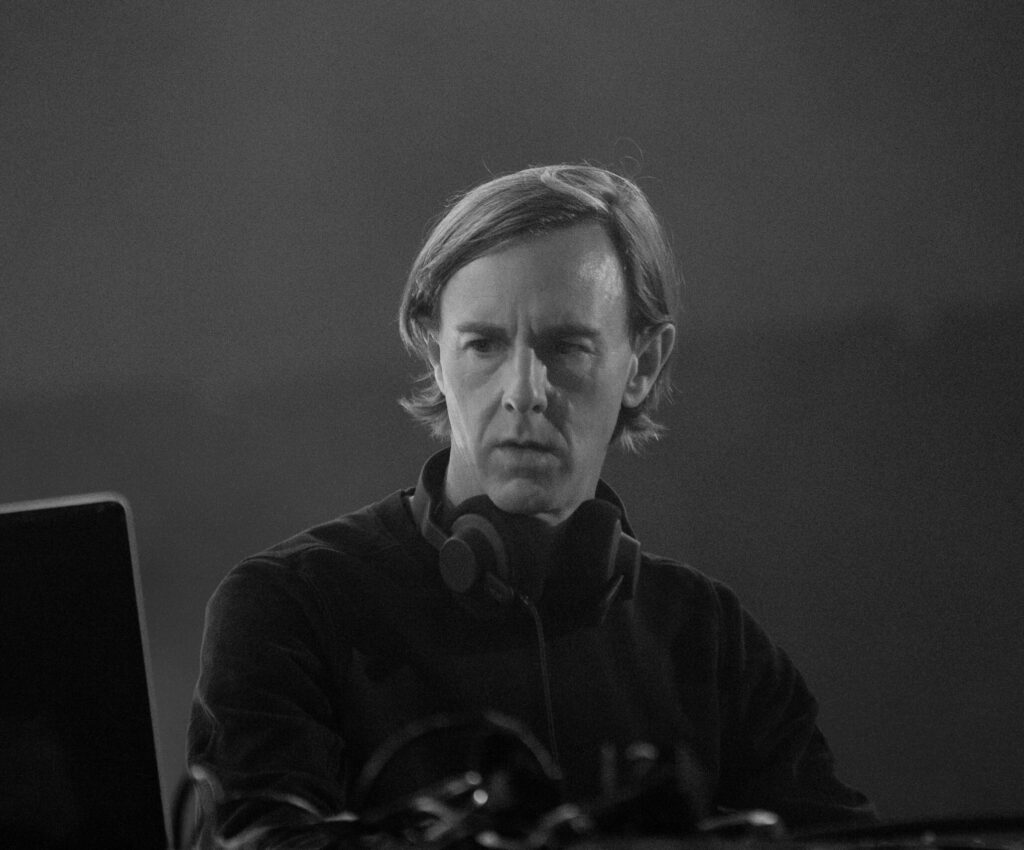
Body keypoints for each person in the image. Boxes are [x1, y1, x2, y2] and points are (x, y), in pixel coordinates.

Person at [187, 164, 874, 848]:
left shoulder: (712, 641)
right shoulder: (289, 608)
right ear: (435, 353)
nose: (523, 391)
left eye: (566, 346)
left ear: (642, 364)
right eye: (484, 344)